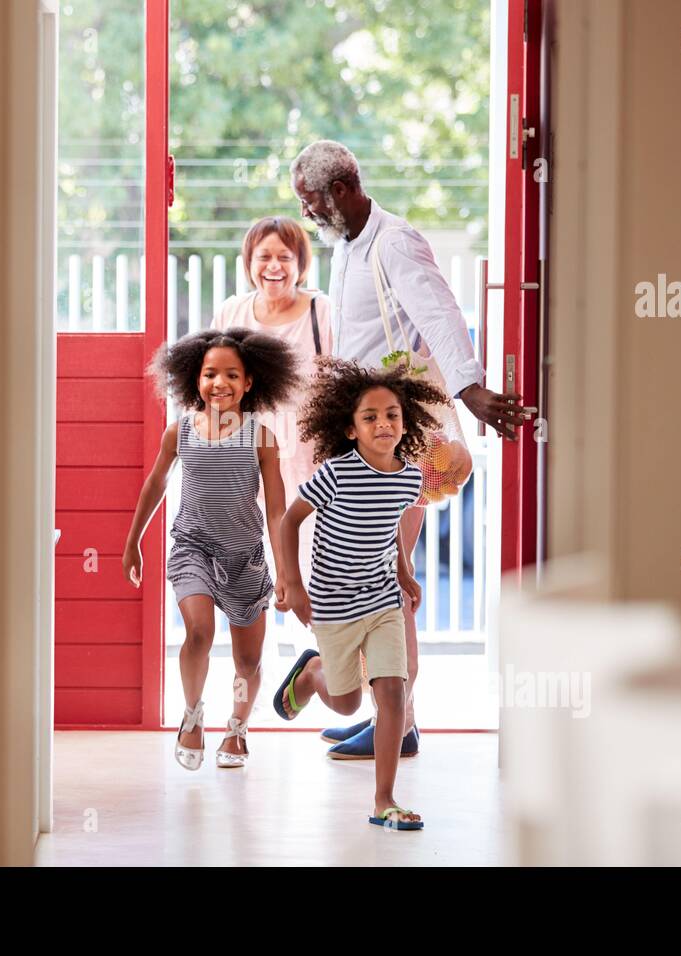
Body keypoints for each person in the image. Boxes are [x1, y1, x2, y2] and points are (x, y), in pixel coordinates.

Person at [289, 139, 535, 757]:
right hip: (362, 436)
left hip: (399, 437)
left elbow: (441, 313)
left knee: (386, 579)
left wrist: (470, 388)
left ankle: (399, 721)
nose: (309, 213)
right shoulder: (348, 247)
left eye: (312, 201)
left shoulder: (394, 241)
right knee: (368, 573)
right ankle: (393, 715)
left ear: (342, 188)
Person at [273, 357, 451, 829]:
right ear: (350, 430)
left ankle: (384, 799)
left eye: (391, 414)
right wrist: (292, 583)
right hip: (332, 602)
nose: (383, 424)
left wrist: (405, 568)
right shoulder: (336, 474)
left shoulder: (410, 478)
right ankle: (313, 674)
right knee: (348, 701)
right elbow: (289, 521)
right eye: (369, 417)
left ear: (404, 421)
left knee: (392, 691)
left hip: (382, 599)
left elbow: (388, 528)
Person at [122, 328, 299, 769]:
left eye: (231, 375)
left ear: (250, 383)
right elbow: (155, 486)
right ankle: (192, 715)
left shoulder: (261, 437)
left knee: (248, 658)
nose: (219, 383)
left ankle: (236, 729)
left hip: (245, 557)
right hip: (193, 549)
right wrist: (134, 542)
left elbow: (277, 510)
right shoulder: (179, 431)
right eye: (209, 374)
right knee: (198, 631)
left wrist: (286, 574)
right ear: (193, 380)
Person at [210, 217, 333, 650]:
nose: (274, 266)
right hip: (248, 459)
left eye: (285, 256)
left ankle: (330, 672)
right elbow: (215, 386)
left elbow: (346, 383)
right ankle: (255, 684)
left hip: (309, 461)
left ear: (301, 263)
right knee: (249, 581)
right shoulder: (232, 312)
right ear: (249, 262)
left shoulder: (323, 312)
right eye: (264, 256)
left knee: (313, 581)